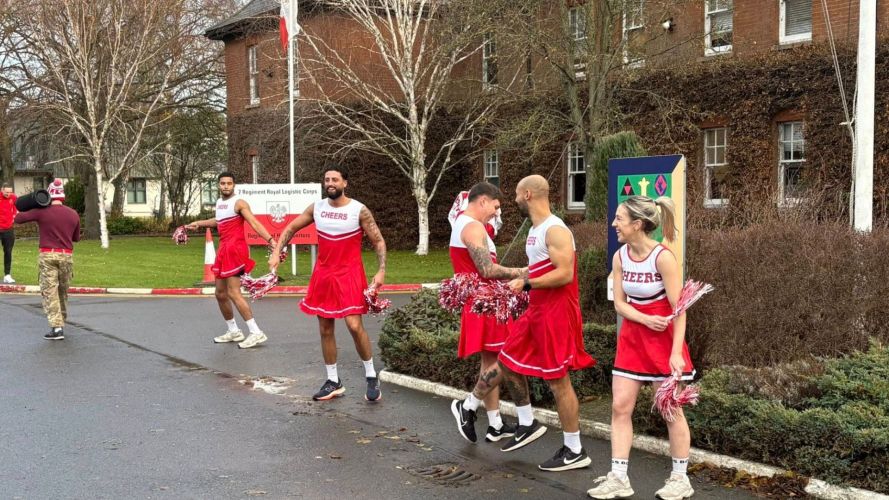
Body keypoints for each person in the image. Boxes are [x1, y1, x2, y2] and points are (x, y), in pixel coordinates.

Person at [450, 175, 595, 472]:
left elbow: (565, 273)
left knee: (558, 381)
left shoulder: (555, 229)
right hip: (537, 310)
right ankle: (472, 407)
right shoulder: (535, 229)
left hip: (556, 312)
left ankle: (574, 449)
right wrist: (527, 280)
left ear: (527, 194)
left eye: (515, 195)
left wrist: (526, 282)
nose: (511, 201)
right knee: (505, 361)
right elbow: (537, 268)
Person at [586, 195, 695, 500]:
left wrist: (676, 353)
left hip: (664, 342)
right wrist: (645, 319)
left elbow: (680, 309)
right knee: (620, 407)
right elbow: (620, 304)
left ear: (637, 224)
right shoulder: (620, 256)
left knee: (670, 410)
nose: (614, 224)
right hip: (633, 339)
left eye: (619, 219)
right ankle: (619, 477)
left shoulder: (663, 257)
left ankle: (680, 478)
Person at [269, 166, 387, 402]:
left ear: (345, 183)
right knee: (325, 327)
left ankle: (371, 375)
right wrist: (276, 252)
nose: (330, 183)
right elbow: (291, 228)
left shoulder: (359, 210)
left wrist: (381, 270)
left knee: (354, 326)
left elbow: (378, 241)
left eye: (335, 179)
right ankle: (333, 381)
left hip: (350, 273)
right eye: (327, 180)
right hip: (323, 274)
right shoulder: (317, 208)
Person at [449, 182, 525, 443]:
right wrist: (525, 272)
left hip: (483, 301)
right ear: (482, 201)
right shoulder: (471, 226)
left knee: (490, 361)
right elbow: (487, 270)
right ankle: (468, 406)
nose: (496, 211)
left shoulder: (465, 222)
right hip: (486, 301)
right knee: (508, 357)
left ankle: (495, 425)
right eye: (495, 206)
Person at [186, 172, 276, 349]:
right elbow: (219, 221)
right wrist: (199, 223)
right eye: (223, 183)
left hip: (235, 249)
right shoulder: (220, 203)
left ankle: (256, 331)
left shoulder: (239, 203)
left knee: (234, 292)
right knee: (220, 293)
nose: (226, 186)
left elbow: (254, 223)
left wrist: (271, 241)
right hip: (224, 249)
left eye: (229, 183)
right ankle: (233, 330)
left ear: (234, 185)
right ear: (218, 185)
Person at [13, 179, 80, 340]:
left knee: (50, 291)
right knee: (62, 291)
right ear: (63, 195)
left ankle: (57, 328)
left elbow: (18, 218)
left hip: (47, 255)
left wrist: (29, 204)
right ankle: (62, 320)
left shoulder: (42, 212)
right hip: (66, 255)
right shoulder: (73, 214)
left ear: (49, 194)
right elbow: (76, 238)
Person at [0, 183, 18, 283]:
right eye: (6, 192)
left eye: (10, 192)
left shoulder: (13, 197)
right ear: (2, 190)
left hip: (8, 229)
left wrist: (14, 215)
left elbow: (17, 207)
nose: (9, 194)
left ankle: (7, 275)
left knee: (8, 252)